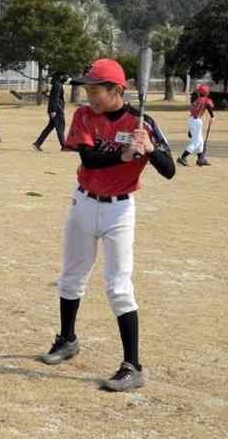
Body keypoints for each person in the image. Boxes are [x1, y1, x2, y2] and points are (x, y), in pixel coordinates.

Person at [39, 58, 176, 392]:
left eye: (95, 89)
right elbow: (89, 159)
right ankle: (67, 339)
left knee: (118, 286)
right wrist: (124, 156)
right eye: (87, 88)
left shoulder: (141, 121)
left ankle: (133, 366)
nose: (89, 95)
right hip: (83, 202)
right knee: (71, 277)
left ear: (116, 90)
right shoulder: (84, 116)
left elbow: (169, 169)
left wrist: (150, 148)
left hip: (119, 211)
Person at [177, 85, 214, 167]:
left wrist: (190, 129)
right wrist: (212, 116)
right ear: (207, 93)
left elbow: (193, 112)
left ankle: (200, 159)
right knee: (196, 142)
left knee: (200, 141)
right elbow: (209, 106)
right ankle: (183, 157)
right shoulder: (206, 100)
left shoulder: (196, 100)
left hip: (192, 120)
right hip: (197, 121)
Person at [32, 72, 67, 151]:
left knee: (50, 127)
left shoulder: (56, 84)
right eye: (64, 75)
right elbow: (54, 98)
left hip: (55, 109)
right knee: (60, 127)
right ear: (60, 76)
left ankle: (37, 143)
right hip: (57, 109)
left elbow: (52, 97)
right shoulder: (57, 85)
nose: (66, 77)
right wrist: (53, 110)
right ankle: (64, 146)